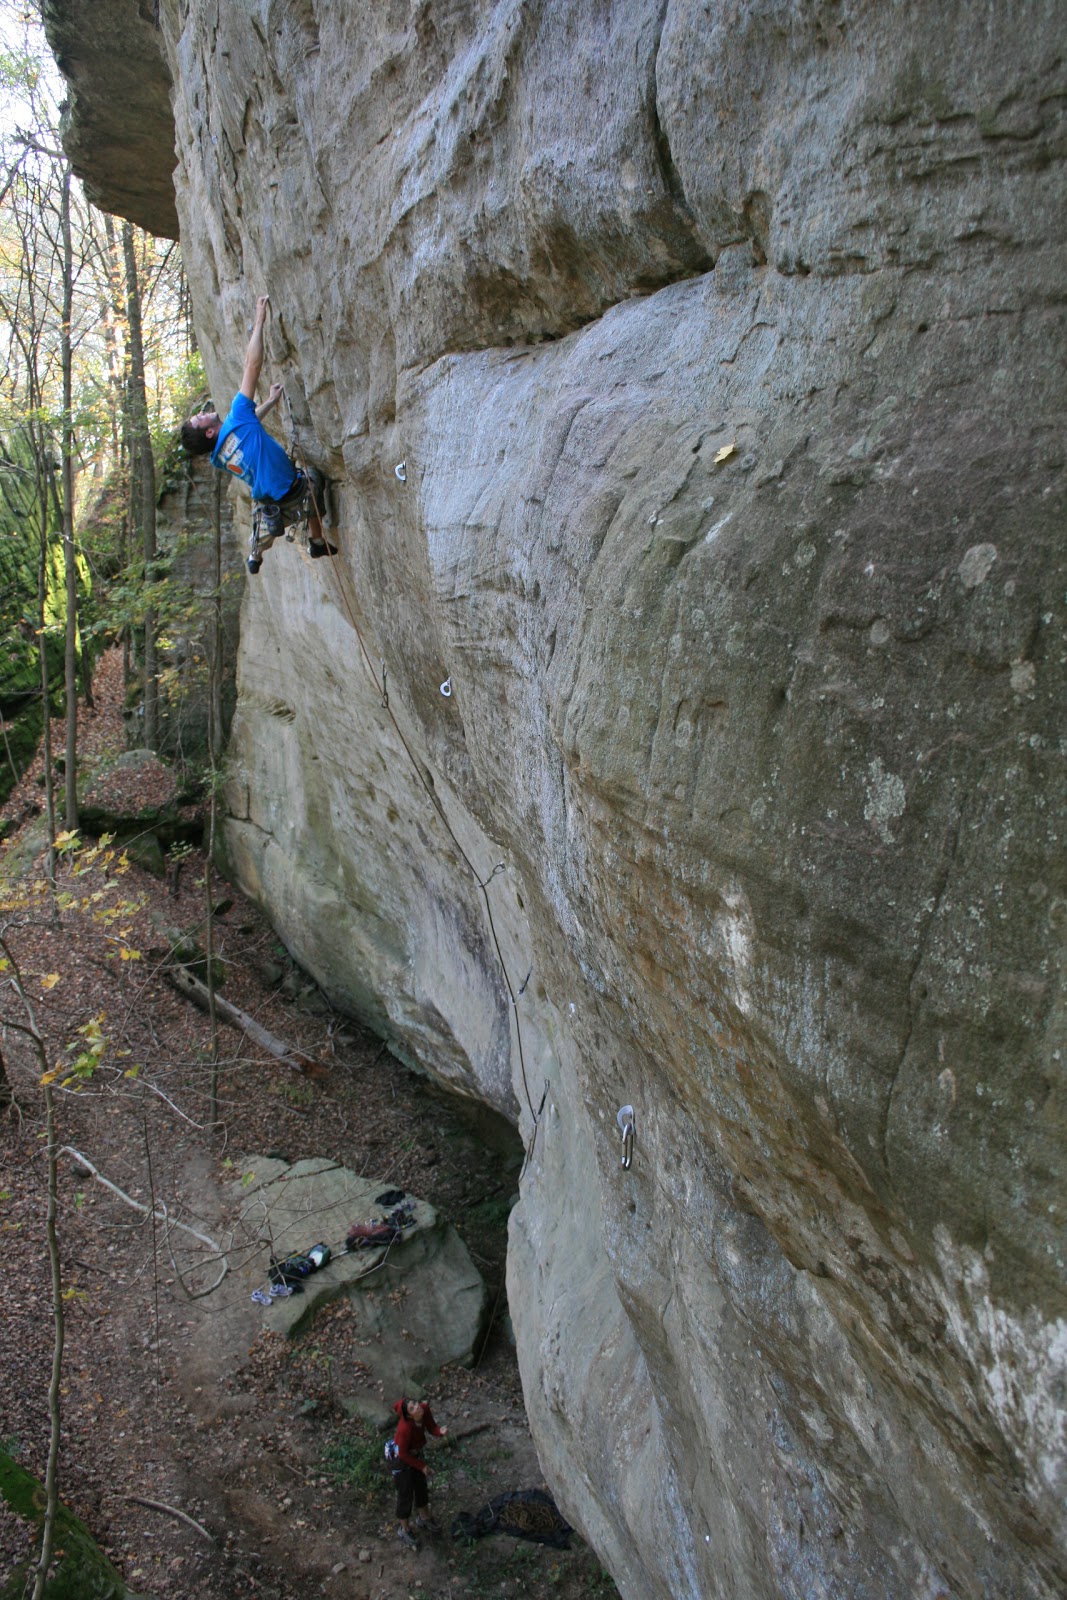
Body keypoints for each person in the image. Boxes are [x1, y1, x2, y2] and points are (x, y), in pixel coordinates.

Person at [180, 295, 336, 573]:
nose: (204, 413)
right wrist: (260, 320)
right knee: (312, 481)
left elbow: (248, 429)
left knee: (283, 501)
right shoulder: (237, 415)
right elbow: (252, 366)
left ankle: (260, 552)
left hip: (267, 498)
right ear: (208, 432)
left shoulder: (220, 455)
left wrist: (271, 403)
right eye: (200, 419)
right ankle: (315, 539)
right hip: (287, 487)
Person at [391, 1395, 448, 1551]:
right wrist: (421, 1466)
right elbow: (402, 1453)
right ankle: (404, 1529)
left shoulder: (425, 1409)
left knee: (421, 1486)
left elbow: (431, 1426)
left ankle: (424, 1518)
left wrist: (439, 1432)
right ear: (409, 1415)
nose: (417, 1407)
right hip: (401, 1460)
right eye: (412, 1408)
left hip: (415, 1454)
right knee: (405, 1493)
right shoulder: (405, 1429)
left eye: (415, 1403)